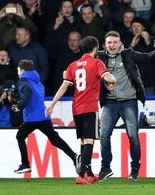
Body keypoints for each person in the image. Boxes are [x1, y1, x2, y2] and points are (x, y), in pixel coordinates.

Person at [45, 36, 116, 185]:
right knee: (89, 140)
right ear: (95, 48)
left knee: (84, 140)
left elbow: (64, 86)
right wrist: (112, 81)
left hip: (76, 107)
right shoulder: (97, 63)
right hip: (90, 107)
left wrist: (52, 104)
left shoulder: (73, 65)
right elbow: (108, 77)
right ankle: (81, 175)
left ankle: (88, 173)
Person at [97, 30, 155, 182]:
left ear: (120, 43)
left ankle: (134, 169)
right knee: (104, 136)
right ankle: (105, 168)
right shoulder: (100, 57)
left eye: (115, 42)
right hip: (110, 103)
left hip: (129, 102)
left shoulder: (128, 54)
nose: (112, 45)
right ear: (104, 45)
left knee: (133, 136)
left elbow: (146, 58)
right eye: (109, 43)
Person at [13, 59, 80, 174]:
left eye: (18, 70)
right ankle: (74, 156)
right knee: (55, 139)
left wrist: (19, 105)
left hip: (32, 117)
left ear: (22, 70)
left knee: (20, 136)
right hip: (43, 115)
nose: (18, 73)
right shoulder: (37, 80)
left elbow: (27, 92)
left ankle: (25, 164)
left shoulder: (23, 80)